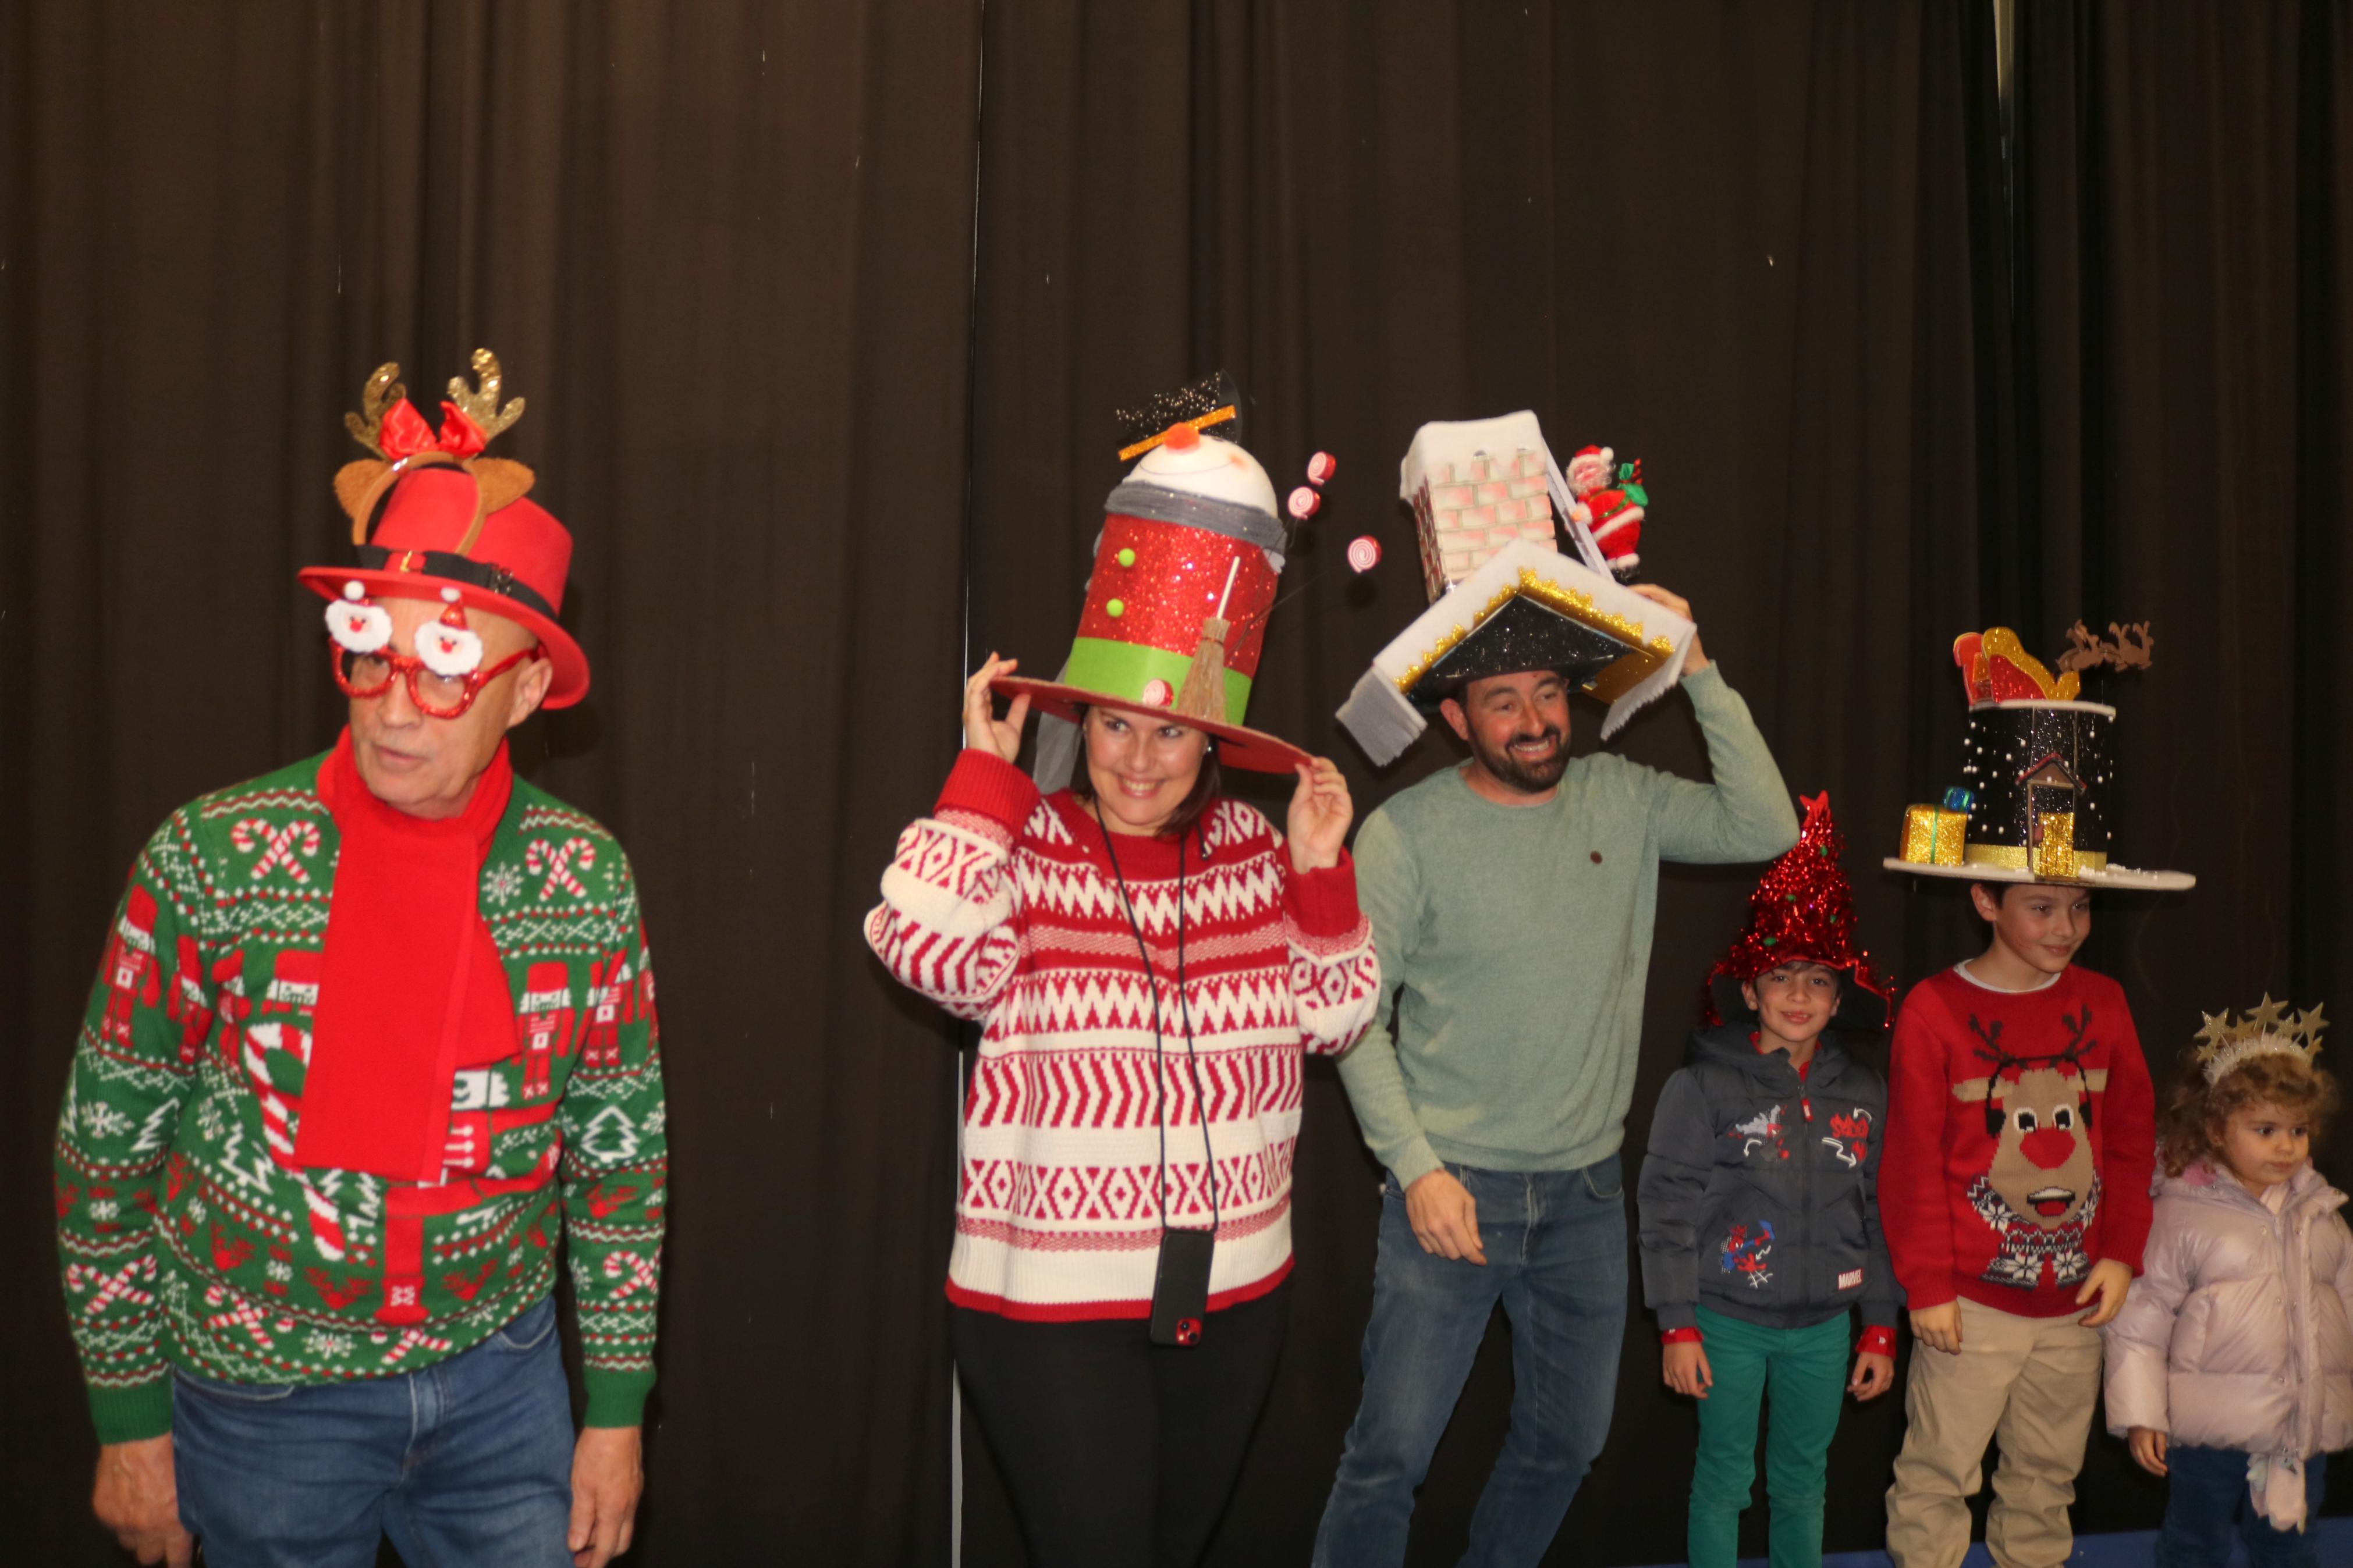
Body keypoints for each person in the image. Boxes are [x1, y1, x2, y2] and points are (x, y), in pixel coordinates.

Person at [56, 354, 665, 1568]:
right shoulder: (212, 856)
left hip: (504, 1392)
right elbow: (102, 1151)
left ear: (529, 686)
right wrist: (129, 1422)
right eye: (371, 657)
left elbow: (619, 1162)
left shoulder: (585, 879)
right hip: (259, 1409)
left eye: (446, 672)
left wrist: (613, 1415)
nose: (394, 708)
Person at [865, 396, 1380, 1567]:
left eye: (1171, 737)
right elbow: (919, 945)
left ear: (1211, 747)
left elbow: (1339, 1017)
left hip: (1235, 1293)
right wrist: (982, 784)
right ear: (1078, 725)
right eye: (1110, 728)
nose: (1138, 760)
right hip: (1046, 1309)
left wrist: (1315, 873)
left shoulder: (1255, 850)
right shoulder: (1024, 838)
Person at [1317, 427, 1800, 1565]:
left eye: (1547, 692)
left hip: (1584, 1194)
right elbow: (1349, 1016)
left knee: (1565, 1445)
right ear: (1454, 718)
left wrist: (1698, 669)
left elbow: (1764, 827)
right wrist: (1415, 1166)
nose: (1533, 719)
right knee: (1388, 1456)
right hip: (1452, 1193)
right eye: (1500, 700)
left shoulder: (1622, 799)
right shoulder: (1403, 837)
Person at [1876, 621, 2187, 1568]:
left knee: (2045, 1480)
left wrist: (2121, 1257)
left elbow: (2131, 1143)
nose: (2065, 928)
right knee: (1937, 1475)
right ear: (1982, 901)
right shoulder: (1932, 1012)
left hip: (2074, 1306)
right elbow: (1910, 1167)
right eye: (2041, 908)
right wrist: (1926, 1289)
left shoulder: (2102, 1003)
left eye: (2079, 907)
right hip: (1969, 1306)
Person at [1637, 793, 1900, 1568]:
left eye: (1815, 981)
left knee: (1801, 1479)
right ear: (1746, 990)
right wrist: (1675, 1322)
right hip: (1724, 1321)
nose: (1796, 995)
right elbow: (1664, 1209)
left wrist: (1880, 1324)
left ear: (1837, 997)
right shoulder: (1702, 1085)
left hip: (1824, 1328)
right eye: (1778, 976)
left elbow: (1879, 1211)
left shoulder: (1862, 1089)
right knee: (1723, 1477)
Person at [2103, 998, 2350, 1567]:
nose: (2284, 1145)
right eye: (2264, 1129)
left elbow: (2348, 1299)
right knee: (2195, 1542)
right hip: (2208, 1433)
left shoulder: (2320, 1213)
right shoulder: (2180, 1212)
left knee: (2290, 1543)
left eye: (2297, 1129)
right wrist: (2142, 1411)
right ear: (2215, 1128)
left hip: (2297, 1427)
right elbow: (2140, 1316)